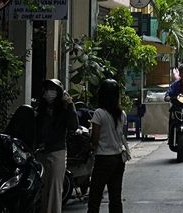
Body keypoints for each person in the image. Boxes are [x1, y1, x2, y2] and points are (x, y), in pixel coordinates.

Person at [35, 79, 78, 213]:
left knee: (55, 188)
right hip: (41, 152)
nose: (49, 92)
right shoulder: (40, 109)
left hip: (57, 151)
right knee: (41, 187)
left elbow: (73, 126)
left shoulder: (65, 108)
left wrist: (70, 105)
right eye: (47, 89)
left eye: (52, 89)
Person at [87, 79, 127, 213]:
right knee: (115, 197)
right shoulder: (121, 114)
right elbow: (122, 135)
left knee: (95, 196)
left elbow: (95, 138)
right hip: (118, 158)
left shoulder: (99, 113)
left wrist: (91, 145)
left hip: (103, 158)